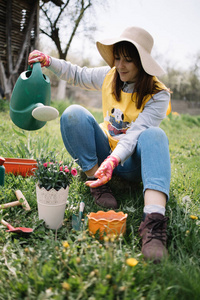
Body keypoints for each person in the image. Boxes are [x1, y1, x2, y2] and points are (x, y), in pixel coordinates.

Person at [28, 26, 171, 263]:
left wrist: (114, 160)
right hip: (107, 154)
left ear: (142, 64)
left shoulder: (158, 94)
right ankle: (97, 182)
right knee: (72, 113)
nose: (120, 65)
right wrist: (49, 61)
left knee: (155, 135)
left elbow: (136, 133)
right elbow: (77, 74)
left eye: (129, 60)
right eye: (117, 58)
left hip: (131, 162)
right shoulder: (110, 75)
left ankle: (154, 224)